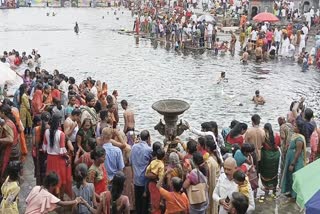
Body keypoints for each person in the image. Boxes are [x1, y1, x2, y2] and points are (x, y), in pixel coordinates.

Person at [42, 113, 72, 199]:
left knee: (51, 179)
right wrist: (67, 157)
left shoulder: (46, 132)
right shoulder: (61, 134)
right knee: (61, 180)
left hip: (50, 159)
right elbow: (62, 151)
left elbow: (44, 148)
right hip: (60, 160)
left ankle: (51, 196)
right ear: (59, 123)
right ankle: (60, 197)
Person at [281, 120, 307, 198]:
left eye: (295, 126)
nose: (293, 127)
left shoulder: (299, 139)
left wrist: (292, 164)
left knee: (295, 178)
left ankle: (295, 195)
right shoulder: (295, 135)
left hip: (295, 161)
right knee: (290, 176)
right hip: (290, 159)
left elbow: (298, 152)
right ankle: (290, 192)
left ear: (299, 129)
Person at [130, 130, 152, 214]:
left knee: (138, 201)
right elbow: (152, 162)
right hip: (145, 181)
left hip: (136, 179)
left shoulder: (134, 147)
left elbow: (131, 162)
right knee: (145, 203)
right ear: (148, 138)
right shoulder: (149, 149)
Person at [0, 104, 19, 186]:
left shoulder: (7, 124)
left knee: (5, 171)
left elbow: (10, 139)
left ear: (3, 113)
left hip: (9, 151)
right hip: (14, 150)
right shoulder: (10, 122)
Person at [32, 112, 50, 185]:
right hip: (46, 152)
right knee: (45, 170)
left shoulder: (35, 129)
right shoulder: (49, 128)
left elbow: (34, 143)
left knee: (38, 170)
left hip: (37, 153)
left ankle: (38, 186)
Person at [145, 148, 165, 214]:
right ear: (164, 157)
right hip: (157, 185)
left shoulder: (152, 162)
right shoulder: (161, 165)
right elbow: (160, 178)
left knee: (152, 201)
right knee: (157, 204)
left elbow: (147, 170)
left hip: (150, 184)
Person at [205, 136, 221, 214]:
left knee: (211, 203)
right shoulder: (216, 157)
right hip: (217, 183)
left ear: (207, 148)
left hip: (212, 184)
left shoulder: (209, 161)